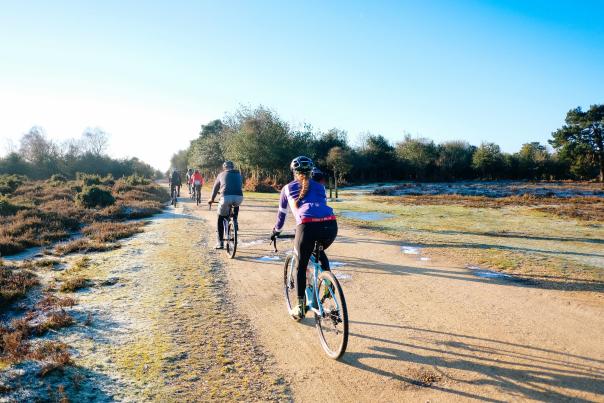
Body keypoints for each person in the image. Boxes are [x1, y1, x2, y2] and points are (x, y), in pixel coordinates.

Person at [271, 156, 337, 319]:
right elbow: (319, 207)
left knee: (301, 266)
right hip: (331, 225)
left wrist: (276, 231)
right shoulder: (320, 187)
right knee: (318, 250)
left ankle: (300, 307)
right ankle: (328, 281)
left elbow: (281, 216)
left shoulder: (287, 188)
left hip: (307, 226)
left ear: (294, 172)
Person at [208, 161, 243, 249]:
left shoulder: (221, 174)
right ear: (232, 167)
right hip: (239, 197)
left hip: (226, 198)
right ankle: (235, 220)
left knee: (220, 217)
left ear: (224, 167)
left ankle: (220, 243)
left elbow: (216, 188)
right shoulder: (238, 174)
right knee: (235, 205)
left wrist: (212, 199)